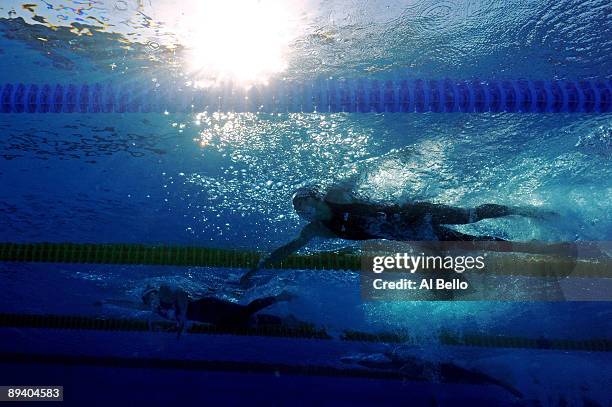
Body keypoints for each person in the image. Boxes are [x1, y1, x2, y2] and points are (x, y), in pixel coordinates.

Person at [240, 183, 557, 286]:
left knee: (469, 217)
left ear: (316, 197)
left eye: (303, 203)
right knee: (470, 246)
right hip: (412, 235)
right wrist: (258, 267)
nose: (302, 211)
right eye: (298, 209)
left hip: (416, 214)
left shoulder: (338, 194)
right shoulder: (318, 229)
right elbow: (290, 248)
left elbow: (360, 173)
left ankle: (527, 211)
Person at [141, 283, 295, 332]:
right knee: (245, 323)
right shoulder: (156, 309)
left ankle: (281, 296)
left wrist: (181, 315)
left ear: (154, 294)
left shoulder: (163, 297)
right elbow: (124, 303)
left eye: (150, 297)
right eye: (146, 300)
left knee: (245, 312)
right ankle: (285, 320)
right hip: (210, 318)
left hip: (210, 307)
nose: (150, 301)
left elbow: (179, 293)